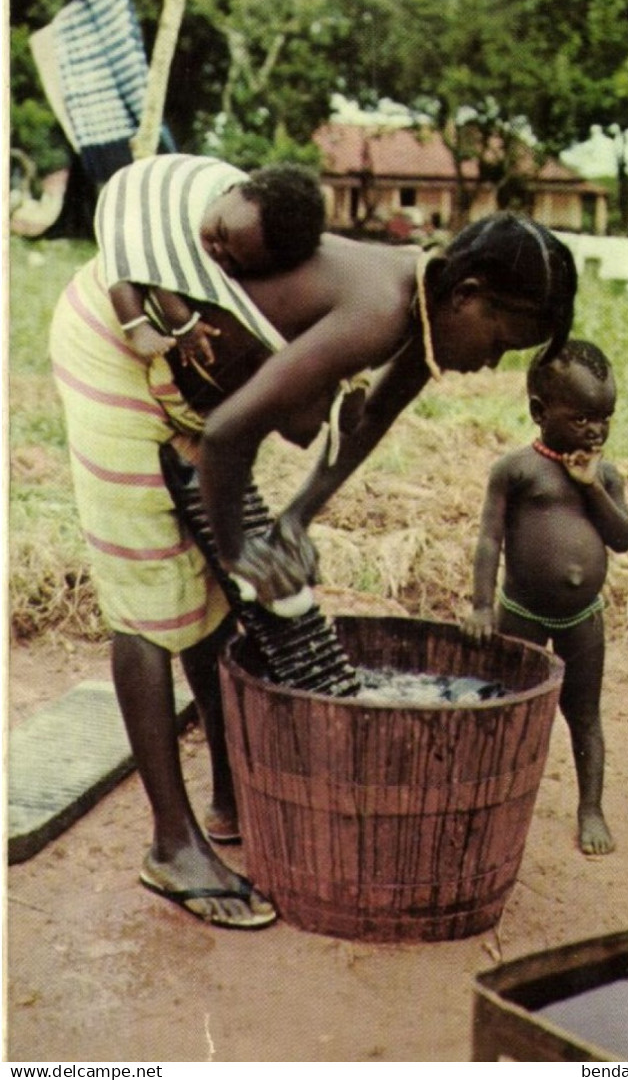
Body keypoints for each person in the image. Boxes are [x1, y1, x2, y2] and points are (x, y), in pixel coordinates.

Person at [50, 207, 577, 928]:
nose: (489, 363)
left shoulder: (421, 310)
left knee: (212, 597)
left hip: (194, 369)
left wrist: (296, 518)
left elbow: (365, 424)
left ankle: (230, 795)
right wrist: (243, 552)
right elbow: (236, 430)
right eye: (498, 342)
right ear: (468, 295)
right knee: (148, 597)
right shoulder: (377, 307)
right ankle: (172, 844)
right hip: (119, 341)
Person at [462, 339, 628, 856]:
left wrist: (591, 488)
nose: (597, 429)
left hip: (583, 619)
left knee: (585, 714)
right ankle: (494, 803)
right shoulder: (517, 471)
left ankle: (591, 808)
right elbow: (490, 539)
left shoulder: (604, 476)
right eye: (582, 417)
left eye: (605, 417)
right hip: (520, 614)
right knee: (509, 710)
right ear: (540, 412)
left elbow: (623, 538)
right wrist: (479, 604)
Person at [94, 154, 326, 365]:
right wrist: (183, 323)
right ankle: (135, 328)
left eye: (233, 261)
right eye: (222, 232)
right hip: (134, 196)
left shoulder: (246, 217)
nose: (216, 249)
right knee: (129, 264)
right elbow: (162, 278)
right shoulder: (208, 192)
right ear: (229, 192)